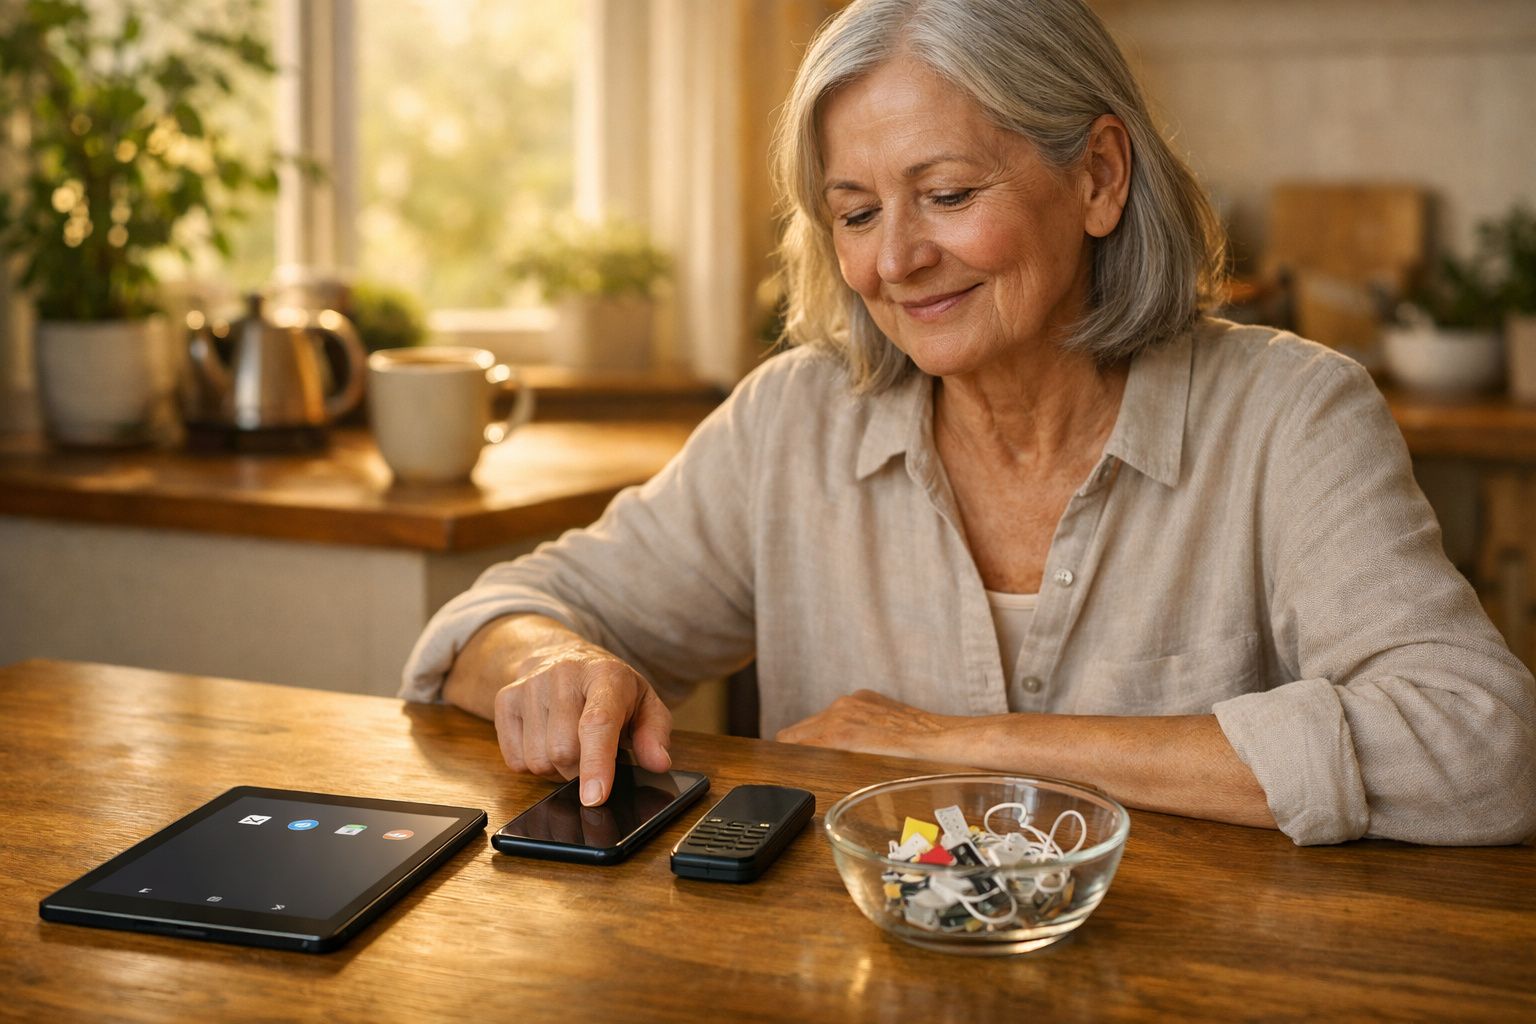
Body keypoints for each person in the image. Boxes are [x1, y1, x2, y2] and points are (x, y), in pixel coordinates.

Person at [402, 0, 1535, 846]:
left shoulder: (1293, 416)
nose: (893, 261)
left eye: (946, 195)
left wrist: (945, 745)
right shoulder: (793, 422)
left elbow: (1482, 750)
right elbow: (491, 621)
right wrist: (554, 664)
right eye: (855, 212)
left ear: (1097, 177)